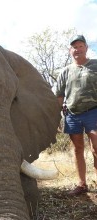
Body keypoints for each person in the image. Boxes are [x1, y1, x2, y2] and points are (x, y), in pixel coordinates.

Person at [53, 34, 97, 196]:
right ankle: (82, 184)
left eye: (80, 46)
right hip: (72, 115)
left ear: (86, 48)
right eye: (74, 47)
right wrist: (56, 116)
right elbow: (58, 95)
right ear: (70, 51)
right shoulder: (65, 71)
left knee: (96, 147)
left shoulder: (95, 65)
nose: (77, 49)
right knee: (77, 149)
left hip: (94, 112)